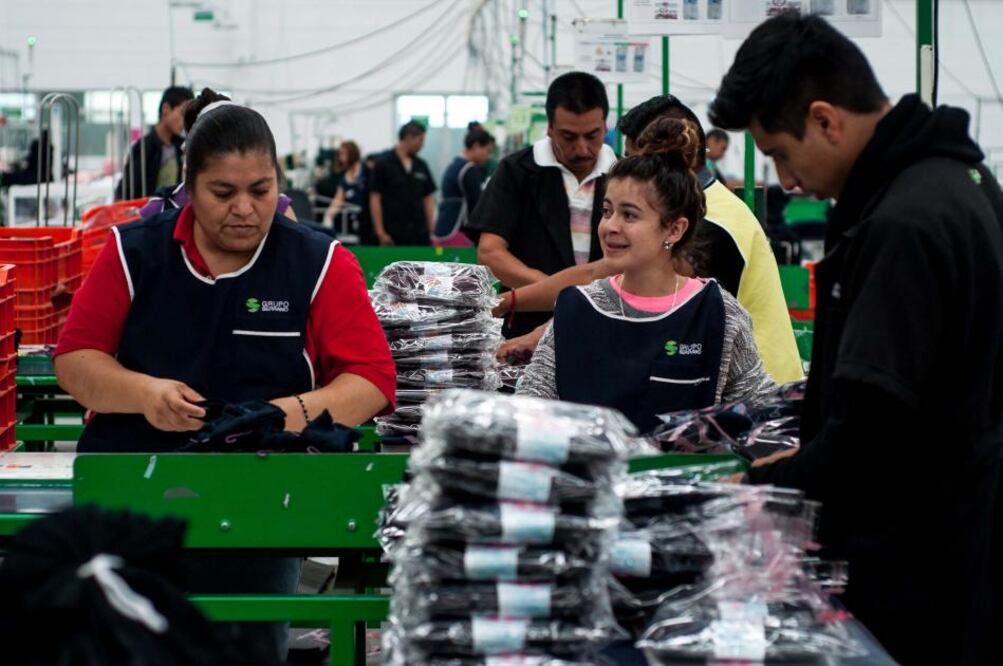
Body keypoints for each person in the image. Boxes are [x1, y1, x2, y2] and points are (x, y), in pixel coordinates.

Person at [54, 88, 397, 661]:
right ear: (188, 187)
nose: (245, 209)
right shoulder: (133, 254)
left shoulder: (318, 263)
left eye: (261, 191)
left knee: (250, 646)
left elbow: (371, 378)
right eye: (223, 193)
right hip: (135, 492)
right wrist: (144, 393)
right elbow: (76, 360)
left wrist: (289, 415)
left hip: (265, 503)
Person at [709, 14, 1003, 665]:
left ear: (824, 119)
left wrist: (771, 484)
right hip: (955, 551)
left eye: (780, 153)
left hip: (915, 579)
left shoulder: (906, 222)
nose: (784, 181)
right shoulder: (961, 185)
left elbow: (875, 430)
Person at [495, 95, 804, 384]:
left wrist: (538, 337)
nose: (633, 173)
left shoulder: (710, 225)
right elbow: (597, 274)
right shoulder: (695, 207)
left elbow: (624, 302)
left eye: (638, 160)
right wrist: (507, 303)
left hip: (752, 392)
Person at [516, 117, 775, 432]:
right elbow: (530, 407)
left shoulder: (718, 314)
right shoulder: (576, 308)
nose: (610, 226)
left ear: (675, 228)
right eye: (607, 211)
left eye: (629, 215)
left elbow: (762, 411)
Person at [465, 71, 617, 339]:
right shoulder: (515, 172)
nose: (582, 149)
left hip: (609, 325)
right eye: (568, 137)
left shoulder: (625, 177)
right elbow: (490, 253)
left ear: (605, 125)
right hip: (525, 329)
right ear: (549, 128)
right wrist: (553, 292)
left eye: (592, 135)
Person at [114, 86, 193, 200]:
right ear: (166, 109)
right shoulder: (143, 148)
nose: (185, 121)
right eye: (182, 113)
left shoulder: (182, 146)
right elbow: (123, 192)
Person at [369, 121, 436, 246]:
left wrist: (431, 229)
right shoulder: (383, 163)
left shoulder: (421, 165)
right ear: (409, 137)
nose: (422, 145)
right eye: (420, 140)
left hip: (419, 236)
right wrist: (380, 232)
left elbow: (427, 199)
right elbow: (375, 198)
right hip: (392, 235)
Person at [433, 128, 496, 247]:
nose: (488, 156)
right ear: (476, 146)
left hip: (442, 230)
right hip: (458, 232)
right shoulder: (469, 169)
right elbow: (476, 205)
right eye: (488, 150)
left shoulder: (454, 165)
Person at [322, 140, 374, 244]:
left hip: (370, 223)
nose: (341, 157)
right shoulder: (343, 178)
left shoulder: (367, 171)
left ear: (352, 153)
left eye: (343, 153)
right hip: (354, 226)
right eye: (340, 154)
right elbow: (337, 202)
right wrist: (327, 218)